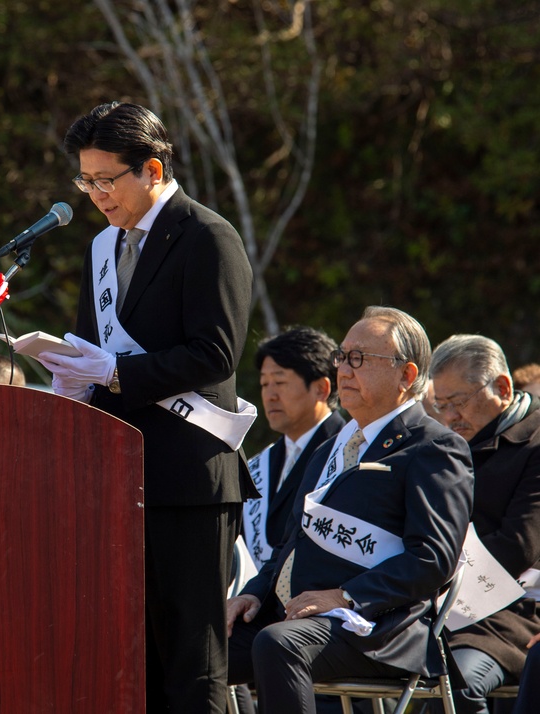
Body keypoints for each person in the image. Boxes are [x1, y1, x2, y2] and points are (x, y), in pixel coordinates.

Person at [36, 101, 256, 713]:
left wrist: (113, 371)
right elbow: (91, 345)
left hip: (188, 476)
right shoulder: (103, 249)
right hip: (119, 476)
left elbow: (215, 353)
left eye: (107, 179)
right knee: (135, 659)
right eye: (86, 181)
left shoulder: (206, 235)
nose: (95, 195)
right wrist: (70, 371)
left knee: (193, 661)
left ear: (152, 169)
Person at [226, 306, 474, 714]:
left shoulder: (433, 447)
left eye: (360, 358)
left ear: (406, 375)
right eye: (342, 356)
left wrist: (345, 596)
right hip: (294, 615)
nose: (344, 368)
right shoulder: (330, 447)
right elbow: (293, 543)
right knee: (190, 643)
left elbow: (432, 558)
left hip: (378, 625)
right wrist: (251, 594)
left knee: (279, 643)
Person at [426, 335, 540, 713]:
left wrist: (434, 583)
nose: (449, 416)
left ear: (503, 388)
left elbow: (518, 544)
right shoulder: (449, 444)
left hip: (510, 611)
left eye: (458, 402)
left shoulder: (535, 442)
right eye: (440, 405)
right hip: (436, 607)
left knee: (455, 687)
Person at [243, 326, 345, 570]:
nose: (270, 395)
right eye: (264, 384)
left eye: (280, 381)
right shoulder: (263, 463)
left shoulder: (348, 451)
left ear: (321, 388)